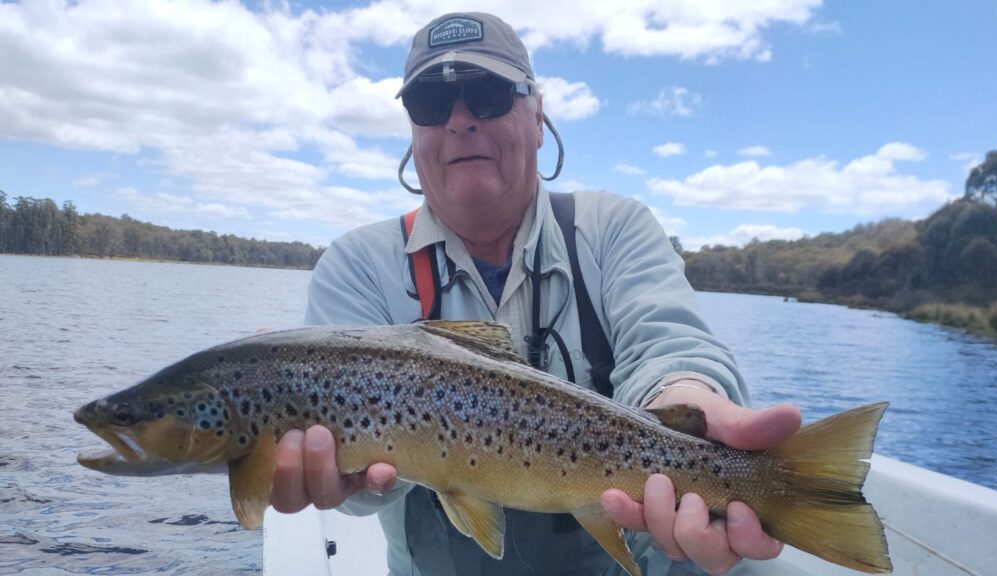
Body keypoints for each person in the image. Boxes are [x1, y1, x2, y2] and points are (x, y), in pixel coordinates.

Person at [270, 11, 801, 576]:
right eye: (430, 101)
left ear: (538, 117)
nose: (459, 121)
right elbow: (361, 492)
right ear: (413, 130)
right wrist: (349, 481)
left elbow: (667, 345)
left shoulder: (613, 229)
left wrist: (692, 398)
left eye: (488, 94)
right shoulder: (355, 266)